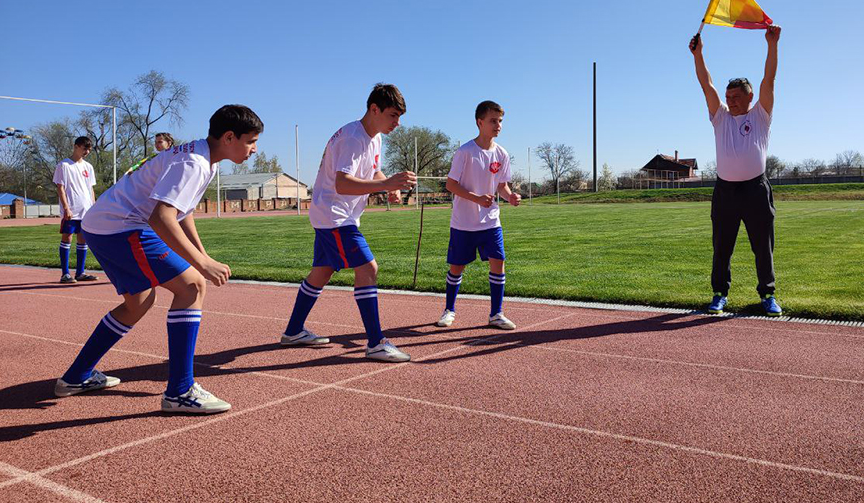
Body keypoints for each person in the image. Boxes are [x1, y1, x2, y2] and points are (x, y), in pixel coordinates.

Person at [53, 105, 264, 414]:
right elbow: (161, 217)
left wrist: (202, 255)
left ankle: (76, 377)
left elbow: (183, 213)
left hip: (105, 225)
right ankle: (180, 390)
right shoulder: (194, 162)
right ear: (229, 137)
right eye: (251, 141)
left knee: (138, 303)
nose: (255, 149)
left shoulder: (206, 160)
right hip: (121, 226)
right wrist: (201, 266)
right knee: (191, 286)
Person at [281, 83, 417, 361]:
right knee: (368, 267)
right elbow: (342, 183)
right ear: (374, 109)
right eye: (393, 115)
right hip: (335, 215)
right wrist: (386, 183)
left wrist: (388, 184)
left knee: (322, 272)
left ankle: (294, 331)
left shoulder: (374, 136)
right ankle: (376, 342)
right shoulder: (353, 138)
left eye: (399, 117)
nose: (397, 123)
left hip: (333, 213)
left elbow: (373, 170)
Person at [689, 26, 784, 316]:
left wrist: (772, 44)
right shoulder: (720, 117)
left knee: (762, 247)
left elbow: (770, 78)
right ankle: (719, 294)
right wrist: (698, 54)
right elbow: (707, 85)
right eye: (728, 96)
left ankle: (767, 295)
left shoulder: (760, 115)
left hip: (756, 189)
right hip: (725, 191)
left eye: (735, 96)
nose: (730, 100)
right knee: (722, 247)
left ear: (749, 96)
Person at [437, 100, 521, 330]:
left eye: (501, 121)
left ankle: (496, 313)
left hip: (490, 221)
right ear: (480, 122)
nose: (498, 126)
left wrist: (510, 196)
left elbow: (502, 186)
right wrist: (476, 198)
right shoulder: (465, 152)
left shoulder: (502, 154)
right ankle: (449, 310)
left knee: (499, 261)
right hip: (463, 223)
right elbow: (451, 185)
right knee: (457, 267)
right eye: (493, 121)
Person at [53, 136, 98, 283]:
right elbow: (60, 187)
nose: (87, 151)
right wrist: (66, 208)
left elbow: (90, 188)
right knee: (67, 238)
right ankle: (65, 274)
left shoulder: (88, 167)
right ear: (76, 146)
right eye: (85, 148)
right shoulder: (64, 165)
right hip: (72, 209)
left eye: (89, 149)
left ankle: (80, 272)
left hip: (86, 210)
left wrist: (93, 206)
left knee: (83, 240)